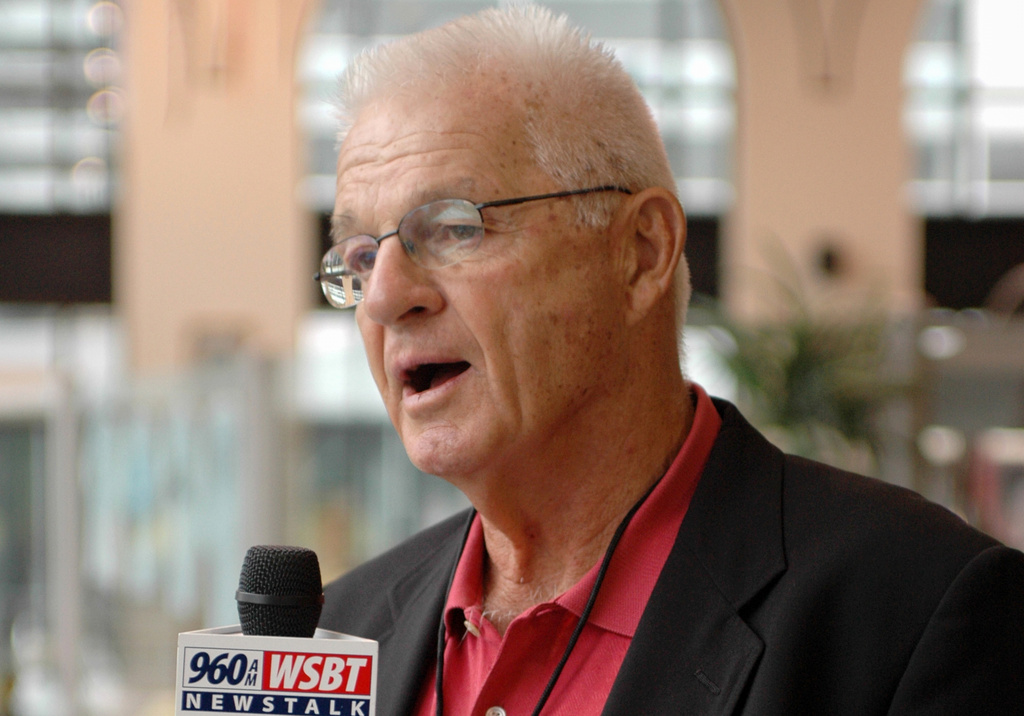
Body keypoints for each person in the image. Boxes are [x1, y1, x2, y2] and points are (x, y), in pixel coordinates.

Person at [317, 5, 1024, 715]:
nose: (382, 299)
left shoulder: (912, 613)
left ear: (642, 253)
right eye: (361, 256)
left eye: (450, 227)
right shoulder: (340, 633)